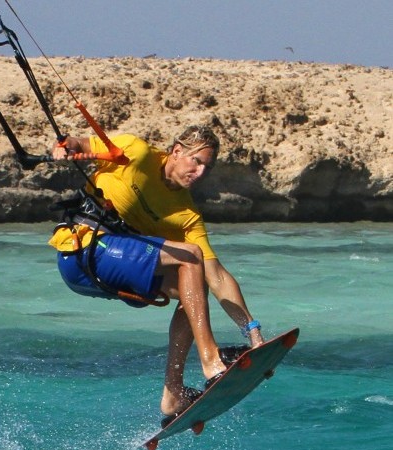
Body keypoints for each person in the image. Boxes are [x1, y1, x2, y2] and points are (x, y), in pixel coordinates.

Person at [49, 125, 264, 423]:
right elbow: (76, 143)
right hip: (82, 251)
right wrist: (64, 147)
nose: (200, 172)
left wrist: (253, 334)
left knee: (195, 284)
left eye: (207, 167)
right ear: (177, 151)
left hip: (108, 272)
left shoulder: (187, 216)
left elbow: (218, 277)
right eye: (196, 161)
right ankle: (210, 360)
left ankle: (173, 393)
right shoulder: (135, 152)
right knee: (190, 256)